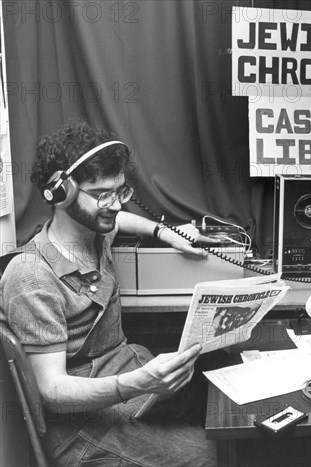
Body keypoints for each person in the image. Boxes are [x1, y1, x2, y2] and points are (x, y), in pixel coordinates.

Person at [0, 120, 221, 466]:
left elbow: (122, 222)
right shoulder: (30, 276)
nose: (116, 205)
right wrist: (135, 383)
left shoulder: (95, 230)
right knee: (207, 454)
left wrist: (164, 232)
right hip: (80, 426)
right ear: (60, 194)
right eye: (103, 194)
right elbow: (52, 391)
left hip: (125, 379)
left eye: (120, 192)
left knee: (219, 396)